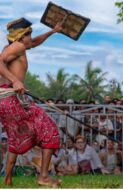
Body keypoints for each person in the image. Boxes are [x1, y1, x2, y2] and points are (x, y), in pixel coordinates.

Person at [0, 18, 62, 187]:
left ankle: (7, 178)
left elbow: (35, 42)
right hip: (9, 98)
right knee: (48, 128)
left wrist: (52, 31)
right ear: (21, 35)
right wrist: (15, 81)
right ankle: (43, 177)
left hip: (5, 101)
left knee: (16, 135)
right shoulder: (17, 47)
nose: (31, 37)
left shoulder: (16, 47)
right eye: (29, 34)